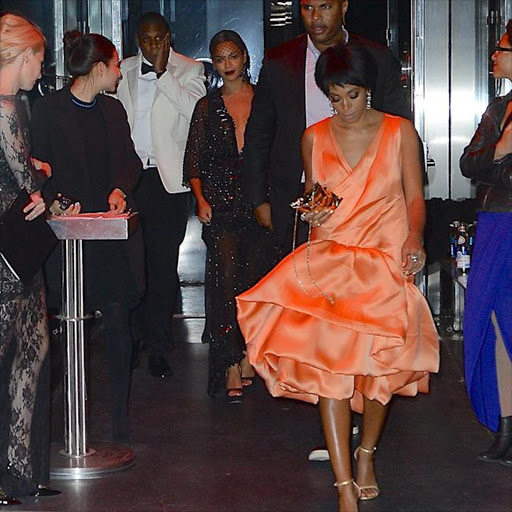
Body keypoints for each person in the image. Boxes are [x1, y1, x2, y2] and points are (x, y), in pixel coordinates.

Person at [236, 44, 439, 511]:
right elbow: (316, 198)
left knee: (378, 376)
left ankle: (366, 452)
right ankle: (344, 483)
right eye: (334, 98)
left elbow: (414, 196)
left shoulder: (399, 133)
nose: (344, 108)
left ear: (368, 91)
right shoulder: (313, 136)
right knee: (330, 372)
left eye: (352, 96)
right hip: (330, 260)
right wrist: (313, 207)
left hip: (384, 259)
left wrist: (415, 238)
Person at [30, 30, 144, 444]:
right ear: (98, 69)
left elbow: (130, 162)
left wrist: (120, 189)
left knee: (118, 323)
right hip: (66, 241)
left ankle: (119, 421)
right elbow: (36, 168)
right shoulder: (47, 110)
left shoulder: (113, 111)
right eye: (115, 65)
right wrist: (56, 201)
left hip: (107, 236)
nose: (119, 72)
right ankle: (54, 422)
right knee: (61, 328)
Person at [242, 0, 409, 263]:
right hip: (297, 196)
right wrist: (258, 199)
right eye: (307, 8)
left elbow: (399, 129)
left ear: (344, 6)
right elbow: (258, 135)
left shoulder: (376, 57)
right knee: (302, 289)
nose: (315, 17)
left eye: (325, 7)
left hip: (368, 199)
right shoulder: (279, 61)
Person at [116, 12, 206, 378]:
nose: (152, 45)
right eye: (146, 39)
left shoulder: (189, 70)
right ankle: (133, 338)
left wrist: (163, 71)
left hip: (168, 180)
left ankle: (158, 345)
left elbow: (195, 110)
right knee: (131, 262)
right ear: (138, 39)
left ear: (168, 36)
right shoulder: (121, 69)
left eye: (158, 38)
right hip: (130, 177)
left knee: (162, 263)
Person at [183, 30, 271, 402]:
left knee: (255, 281)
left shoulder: (265, 101)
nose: (227, 65)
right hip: (219, 204)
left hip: (258, 201)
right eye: (219, 59)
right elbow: (194, 159)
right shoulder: (206, 106)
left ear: (245, 58)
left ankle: (252, 352)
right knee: (224, 281)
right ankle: (229, 361)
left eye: (232, 56)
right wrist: (201, 199)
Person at [0, 12, 60, 505]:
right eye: (39, 58)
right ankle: (13, 470)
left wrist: (36, 177)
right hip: (7, 250)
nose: (42, 68)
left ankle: (19, 469)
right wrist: (39, 177)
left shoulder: (14, 103)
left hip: (16, 246)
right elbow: (24, 177)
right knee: (22, 353)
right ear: (22, 57)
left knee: (32, 349)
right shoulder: (4, 107)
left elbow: (23, 173)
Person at [460, 19, 512, 468]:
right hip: (497, 222)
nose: (495, 55)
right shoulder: (499, 108)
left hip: (502, 220)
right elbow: (468, 162)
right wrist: (500, 151)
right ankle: (506, 425)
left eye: (503, 48)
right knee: (491, 321)